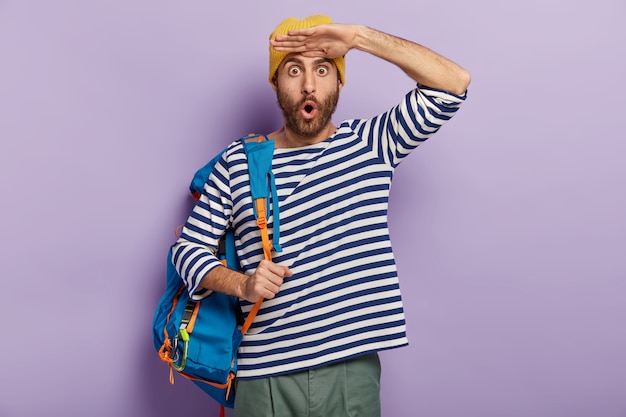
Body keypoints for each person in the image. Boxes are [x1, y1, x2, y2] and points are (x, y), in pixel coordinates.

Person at [172, 14, 470, 417]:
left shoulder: (371, 145)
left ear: (339, 80)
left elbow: (453, 83)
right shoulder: (238, 162)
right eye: (293, 70)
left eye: (323, 69)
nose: (309, 84)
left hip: (350, 371)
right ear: (275, 82)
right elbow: (186, 249)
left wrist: (359, 38)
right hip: (264, 378)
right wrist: (242, 284)